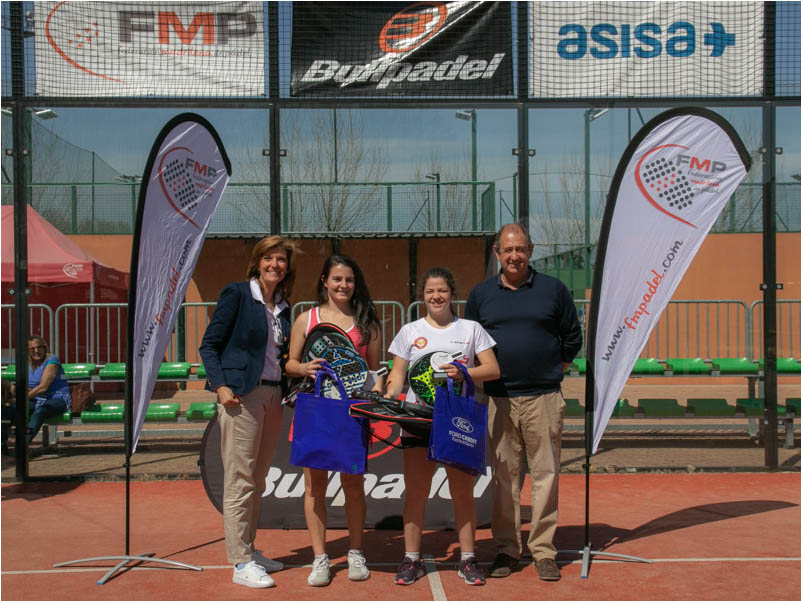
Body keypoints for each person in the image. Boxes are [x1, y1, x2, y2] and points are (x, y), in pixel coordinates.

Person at [465, 222, 583, 582]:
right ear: (497, 253)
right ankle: (507, 549)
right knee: (504, 479)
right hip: (499, 400)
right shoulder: (481, 295)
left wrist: (552, 369)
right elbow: (470, 343)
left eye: (520, 249)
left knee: (546, 475)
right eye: (508, 250)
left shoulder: (554, 290)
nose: (514, 256)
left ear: (530, 251)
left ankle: (544, 551)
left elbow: (572, 337)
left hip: (543, 397)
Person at [385, 267, 500, 587]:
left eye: (442, 291)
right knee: (416, 493)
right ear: (422, 296)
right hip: (417, 420)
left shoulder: (471, 329)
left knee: (462, 493)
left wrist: (465, 373)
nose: (436, 297)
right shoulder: (410, 331)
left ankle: (468, 559)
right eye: (430, 292)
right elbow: (397, 374)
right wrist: (389, 395)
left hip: (456, 421)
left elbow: (492, 369)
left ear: (452, 294)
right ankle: (411, 559)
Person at [199, 235, 300, 589]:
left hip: (273, 397)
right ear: (257, 262)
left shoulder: (283, 307)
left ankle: (250, 550)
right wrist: (221, 386)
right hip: (241, 397)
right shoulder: (238, 294)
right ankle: (240, 561)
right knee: (240, 480)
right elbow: (209, 345)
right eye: (269, 258)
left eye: (281, 259)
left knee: (258, 481)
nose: (275, 264)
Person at [285, 254, 383, 587]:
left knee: (353, 487)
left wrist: (377, 389)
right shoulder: (306, 319)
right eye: (337, 279)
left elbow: (374, 372)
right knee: (315, 489)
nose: (343, 285)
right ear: (324, 281)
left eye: (349, 280)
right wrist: (304, 368)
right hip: (315, 411)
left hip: (351, 414)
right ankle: (320, 558)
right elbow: (290, 364)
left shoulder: (368, 323)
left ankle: (355, 553)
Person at [1, 336, 71, 451]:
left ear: (44, 348)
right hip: (36, 399)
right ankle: (2, 446)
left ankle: (21, 448)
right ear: (28, 351)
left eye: (39, 347)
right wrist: (11, 388)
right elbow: (29, 387)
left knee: (39, 412)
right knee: (7, 411)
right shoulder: (27, 363)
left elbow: (42, 387)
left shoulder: (51, 360)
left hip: (57, 398)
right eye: (32, 348)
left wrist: (21, 399)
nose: (36, 351)